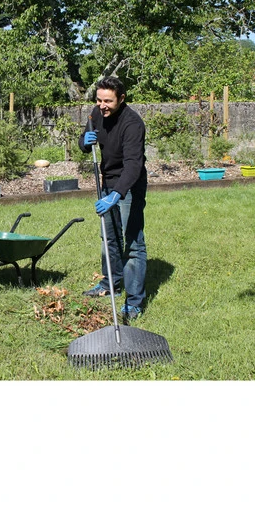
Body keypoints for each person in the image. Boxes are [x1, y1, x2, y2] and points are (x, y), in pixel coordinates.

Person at [78, 76, 148, 323]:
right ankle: (110, 283)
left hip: (129, 185)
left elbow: (133, 165)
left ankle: (134, 302)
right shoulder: (97, 114)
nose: (102, 105)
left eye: (107, 101)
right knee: (109, 238)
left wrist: (116, 194)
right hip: (107, 181)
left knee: (133, 243)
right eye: (99, 100)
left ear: (121, 99)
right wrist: (84, 142)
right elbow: (85, 140)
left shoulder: (132, 124)